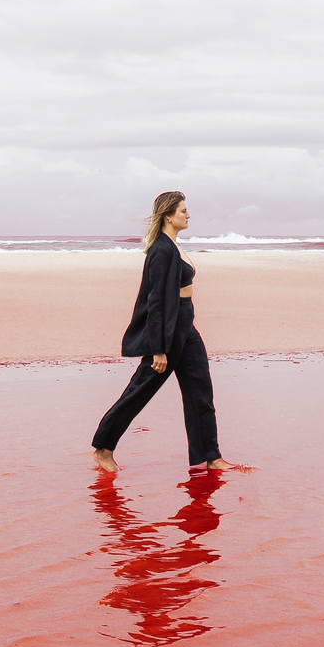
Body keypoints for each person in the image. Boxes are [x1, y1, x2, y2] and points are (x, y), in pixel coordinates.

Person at [91, 192, 233, 473]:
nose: (188, 215)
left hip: (186, 327)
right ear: (168, 215)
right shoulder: (161, 250)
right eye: (183, 210)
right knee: (140, 390)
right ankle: (103, 449)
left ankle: (212, 457)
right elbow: (155, 302)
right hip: (169, 330)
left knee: (200, 392)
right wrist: (158, 348)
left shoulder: (173, 246)